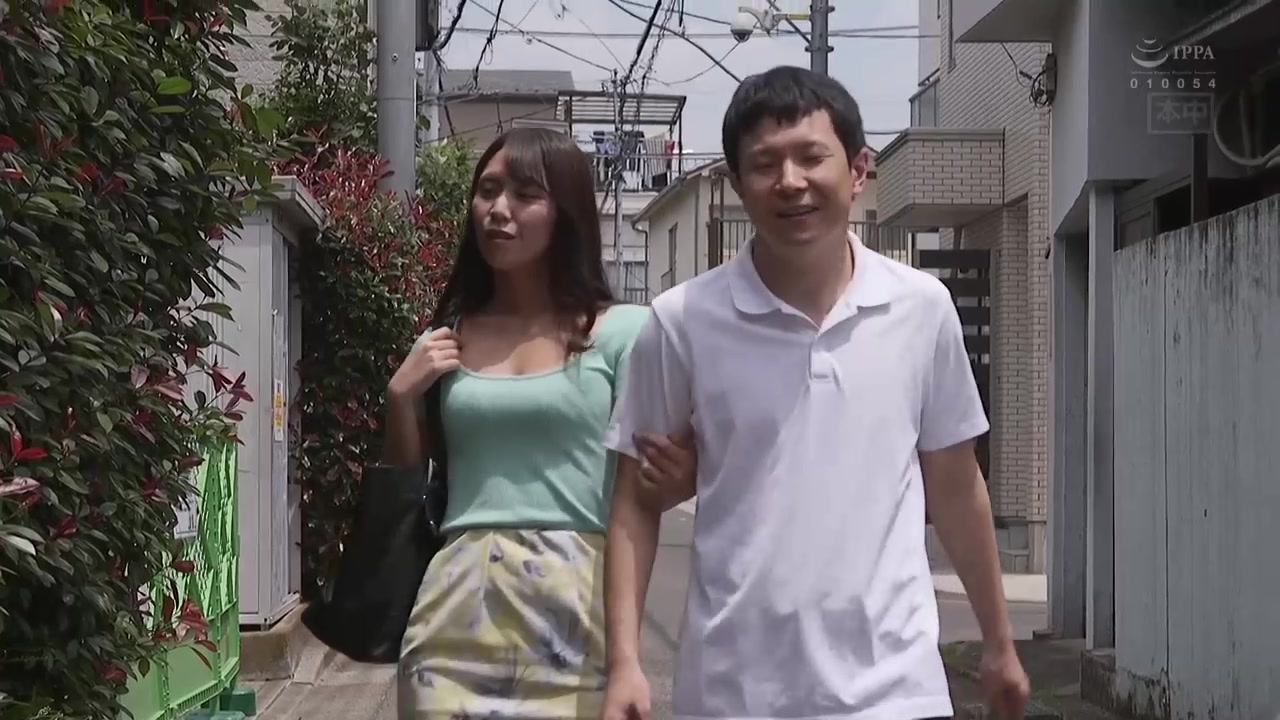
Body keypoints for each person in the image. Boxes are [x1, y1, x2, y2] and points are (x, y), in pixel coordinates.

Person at [601, 66, 1031, 720]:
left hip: (895, 690)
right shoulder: (681, 321)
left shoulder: (922, 308)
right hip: (732, 693)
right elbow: (634, 500)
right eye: (764, 164)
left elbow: (955, 483)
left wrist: (999, 643)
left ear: (858, 170)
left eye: (811, 157)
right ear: (737, 183)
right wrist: (626, 662)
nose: (790, 181)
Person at [383, 127, 697, 720]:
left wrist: (627, 661)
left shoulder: (624, 334)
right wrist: (400, 399)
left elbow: (642, 497)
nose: (498, 209)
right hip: (452, 620)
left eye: (525, 194)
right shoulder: (447, 338)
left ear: (566, 213)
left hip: (578, 619)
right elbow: (405, 488)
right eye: (487, 191)